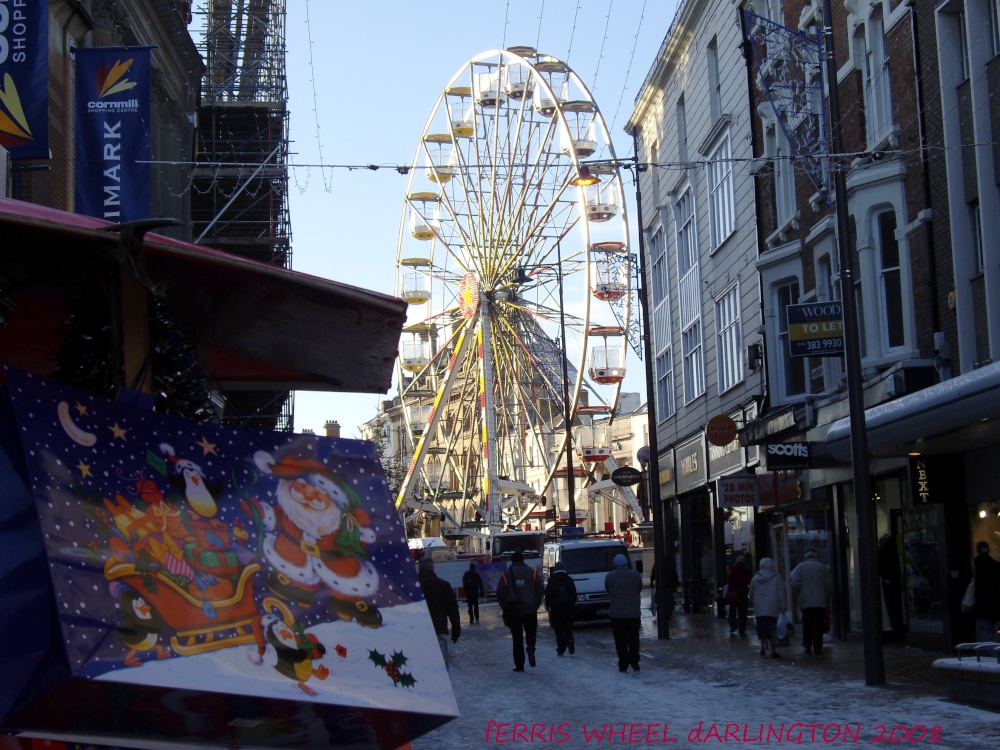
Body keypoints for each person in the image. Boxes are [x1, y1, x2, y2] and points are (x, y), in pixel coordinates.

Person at [495, 550, 544, 672]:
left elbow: (500, 593)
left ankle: (519, 664)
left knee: (517, 639)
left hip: (514, 611)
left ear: (512, 561)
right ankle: (531, 648)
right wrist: (535, 605)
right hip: (530, 610)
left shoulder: (506, 575)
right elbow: (540, 589)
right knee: (531, 633)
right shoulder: (532, 573)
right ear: (523, 560)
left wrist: (505, 608)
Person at [417, 557, 461, 670]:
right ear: (432, 568)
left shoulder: (413, 588)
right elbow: (452, 609)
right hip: (439, 628)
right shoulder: (443, 585)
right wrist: (456, 628)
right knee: (441, 668)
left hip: (418, 631)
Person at [789, 548, 832, 657]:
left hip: (805, 600)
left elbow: (794, 582)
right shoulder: (823, 567)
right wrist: (826, 595)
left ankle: (807, 645)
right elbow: (829, 584)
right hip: (820, 601)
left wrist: (799, 591)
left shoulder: (800, 567)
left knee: (807, 623)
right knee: (818, 624)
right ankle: (818, 647)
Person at [605, 553, 643, 673]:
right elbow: (639, 588)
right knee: (634, 638)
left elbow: (608, 590)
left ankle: (623, 663)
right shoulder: (635, 576)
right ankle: (635, 661)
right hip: (633, 613)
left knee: (620, 640)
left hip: (617, 614)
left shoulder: (610, 577)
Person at [748, 557, 786, 658]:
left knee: (761, 627)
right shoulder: (776, 577)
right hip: (772, 607)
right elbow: (781, 593)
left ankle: (762, 648)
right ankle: (773, 649)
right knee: (772, 628)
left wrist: (753, 601)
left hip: (759, 608)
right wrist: (782, 606)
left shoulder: (755, 578)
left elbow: (751, 593)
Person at [544, 562, 577, 656]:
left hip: (556, 609)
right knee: (568, 626)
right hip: (568, 607)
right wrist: (572, 603)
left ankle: (561, 648)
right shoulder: (569, 579)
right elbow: (574, 594)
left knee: (558, 629)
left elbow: (548, 594)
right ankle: (570, 640)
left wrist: (548, 605)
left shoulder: (552, 580)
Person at [972, 541, 1000, 643]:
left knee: (985, 635)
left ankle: (991, 657)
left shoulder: (974, 565)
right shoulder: (995, 565)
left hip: (981, 606)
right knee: (990, 632)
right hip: (993, 605)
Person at [726, 555, 751, 637]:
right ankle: (742, 628)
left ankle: (733, 625)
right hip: (742, 592)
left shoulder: (732, 569)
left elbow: (729, 580)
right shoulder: (745, 570)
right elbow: (747, 580)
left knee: (732, 610)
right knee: (742, 612)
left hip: (733, 592)